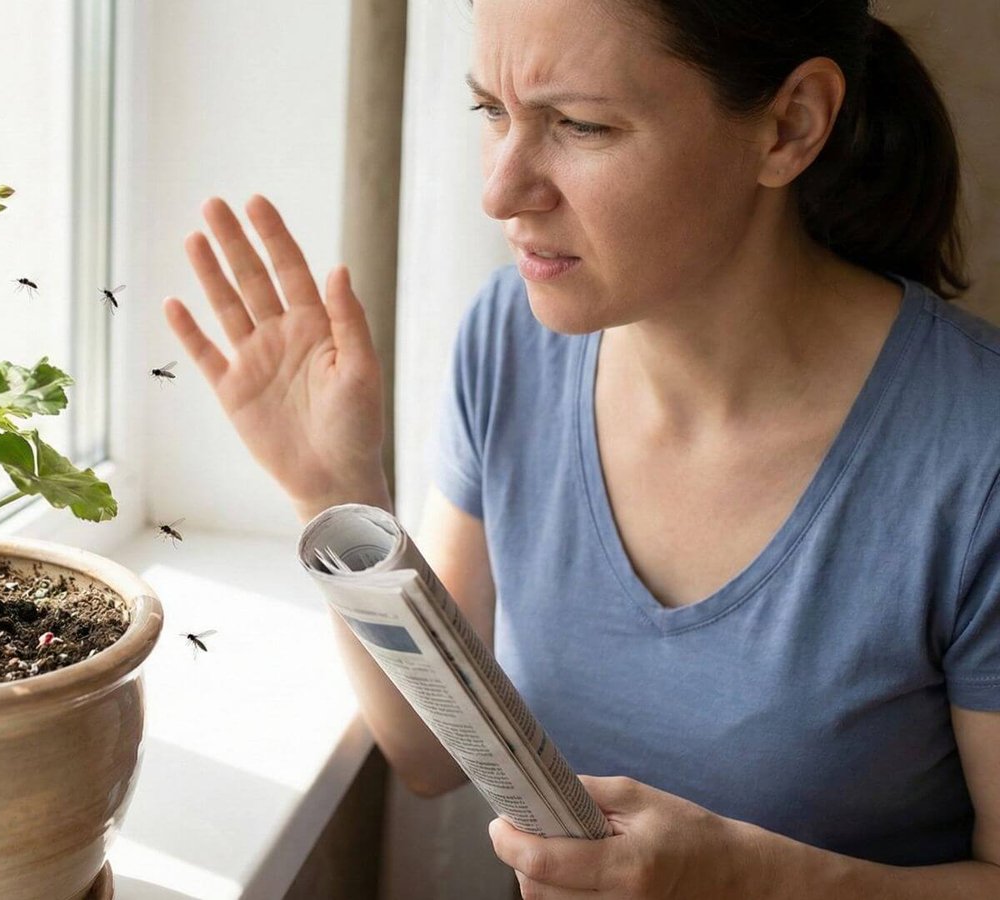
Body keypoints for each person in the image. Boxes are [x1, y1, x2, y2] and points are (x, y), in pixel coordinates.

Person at [161, 0, 1000, 896]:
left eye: (580, 125)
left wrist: (753, 880)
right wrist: (333, 491)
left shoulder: (974, 454)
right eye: (492, 111)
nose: (499, 189)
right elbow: (432, 756)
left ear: (788, 126)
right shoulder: (508, 343)